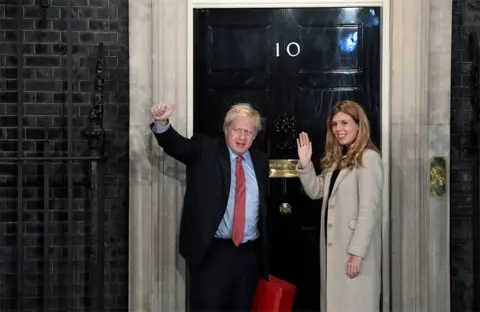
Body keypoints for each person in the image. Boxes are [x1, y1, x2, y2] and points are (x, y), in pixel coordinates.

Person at [150, 103, 269, 312]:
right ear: (226, 129)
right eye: (237, 130)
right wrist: (162, 123)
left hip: (248, 255)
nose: (242, 137)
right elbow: (177, 146)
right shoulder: (205, 150)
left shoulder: (260, 161)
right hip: (212, 253)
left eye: (248, 131)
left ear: (254, 135)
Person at [296, 100, 383, 312]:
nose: (338, 129)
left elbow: (368, 211)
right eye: (334, 124)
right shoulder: (337, 160)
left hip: (354, 252)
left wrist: (357, 253)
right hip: (335, 251)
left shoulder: (369, 158)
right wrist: (305, 164)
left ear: (358, 125)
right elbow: (316, 191)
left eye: (344, 123)